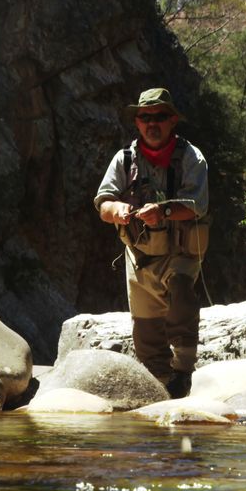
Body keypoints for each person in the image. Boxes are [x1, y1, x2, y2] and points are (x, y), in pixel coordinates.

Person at [94, 88, 210, 399]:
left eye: (159, 116)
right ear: (137, 123)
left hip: (180, 254)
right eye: (145, 117)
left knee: (182, 299)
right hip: (140, 257)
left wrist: (164, 210)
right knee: (145, 333)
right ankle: (160, 386)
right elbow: (103, 203)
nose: (151, 123)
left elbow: (197, 205)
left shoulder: (191, 157)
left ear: (172, 120)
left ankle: (184, 374)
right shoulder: (124, 159)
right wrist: (117, 210)